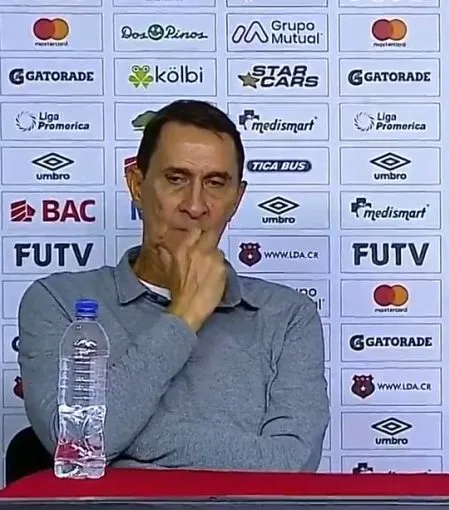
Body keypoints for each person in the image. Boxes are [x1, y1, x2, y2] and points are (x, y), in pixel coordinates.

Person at [16, 99, 329, 472]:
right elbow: (77, 443)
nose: (195, 206)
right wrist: (184, 316)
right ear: (137, 185)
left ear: (236, 199)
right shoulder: (58, 302)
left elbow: (291, 465)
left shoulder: (288, 316)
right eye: (176, 179)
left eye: (215, 183)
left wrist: (121, 436)